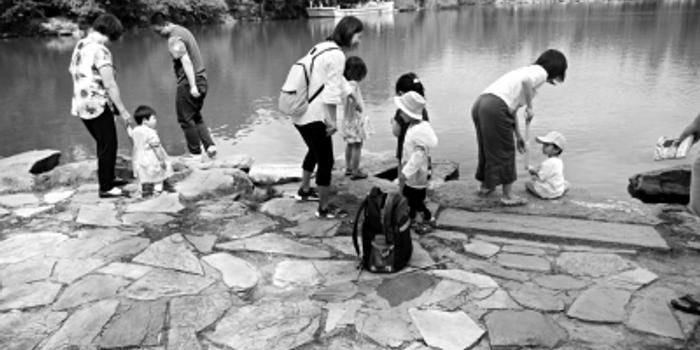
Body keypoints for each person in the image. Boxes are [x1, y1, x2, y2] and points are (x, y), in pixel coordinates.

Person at [471, 49, 568, 206]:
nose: (553, 81)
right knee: (505, 151)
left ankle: (486, 186)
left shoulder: (526, 71)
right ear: (555, 68)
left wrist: (518, 137)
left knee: (488, 148)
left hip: (482, 103)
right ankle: (508, 195)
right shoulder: (540, 72)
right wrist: (530, 107)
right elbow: (526, 81)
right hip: (495, 106)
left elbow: (512, 109)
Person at [292, 16, 364, 219]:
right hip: (315, 116)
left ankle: (305, 190)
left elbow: (337, 79)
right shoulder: (337, 56)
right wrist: (331, 121)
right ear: (349, 34)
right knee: (326, 160)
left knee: (314, 152)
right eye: (358, 35)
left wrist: (351, 96)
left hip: (299, 111)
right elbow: (331, 91)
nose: (359, 40)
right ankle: (323, 209)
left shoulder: (323, 47)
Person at [69, 13, 132, 198]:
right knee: (108, 144)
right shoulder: (100, 50)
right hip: (95, 103)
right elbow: (110, 83)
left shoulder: (81, 45)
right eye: (113, 37)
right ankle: (106, 187)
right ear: (108, 33)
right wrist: (123, 111)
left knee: (104, 142)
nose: (112, 42)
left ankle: (109, 177)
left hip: (81, 102)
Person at [150, 13, 216, 161]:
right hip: (202, 78)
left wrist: (192, 86)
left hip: (189, 81)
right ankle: (210, 146)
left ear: (166, 24)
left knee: (184, 119)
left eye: (158, 31)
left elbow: (186, 61)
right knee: (194, 115)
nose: (158, 35)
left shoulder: (174, 38)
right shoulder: (183, 30)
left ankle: (195, 154)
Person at [395, 91, 438, 233]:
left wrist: (405, 172)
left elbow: (418, 156)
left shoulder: (418, 131)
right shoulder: (416, 126)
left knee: (414, 199)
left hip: (416, 175)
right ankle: (412, 217)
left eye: (402, 111)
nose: (400, 114)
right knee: (411, 198)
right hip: (414, 175)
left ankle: (427, 217)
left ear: (410, 113)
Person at [128, 105, 175, 198]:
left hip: (139, 158)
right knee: (159, 176)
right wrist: (161, 160)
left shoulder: (136, 130)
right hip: (151, 158)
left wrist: (127, 124)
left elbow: (130, 133)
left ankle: (143, 191)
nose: (156, 120)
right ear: (145, 120)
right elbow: (156, 148)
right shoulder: (151, 133)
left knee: (143, 175)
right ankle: (158, 192)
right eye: (153, 118)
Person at [392, 73, 430, 165]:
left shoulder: (401, 113)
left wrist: (393, 122)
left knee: (404, 175)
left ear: (401, 94)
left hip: (405, 154)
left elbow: (396, 132)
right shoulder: (423, 111)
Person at [341, 56, 369, 180]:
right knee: (358, 145)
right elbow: (352, 97)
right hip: (355, 120)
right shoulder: (353, 85)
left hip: (347, 119)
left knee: (349, 144)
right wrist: (357, 104)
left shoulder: (344, 84)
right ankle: (355, 171)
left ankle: (348, 167)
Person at [525, 131, 569, 199]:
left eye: (546, 145)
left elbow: (540, 177)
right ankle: (557, 193)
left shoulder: (547, 163)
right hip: (557, 190)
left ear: (556, 149)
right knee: (566, 183)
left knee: (528, 183)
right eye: (543, 145)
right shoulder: (559, 161)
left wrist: (532, 171)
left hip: (548, 191)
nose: (543, 147)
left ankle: (547, 195)